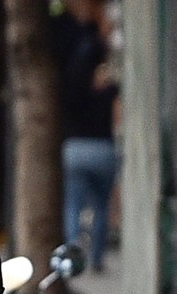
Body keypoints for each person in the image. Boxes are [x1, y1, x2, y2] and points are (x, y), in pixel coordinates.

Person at [52, 0, 119, 273]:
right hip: (103, 148)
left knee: (73, 207)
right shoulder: (109, 84)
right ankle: (96, 260)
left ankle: (70, 259)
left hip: (75, 147)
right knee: (100, 208)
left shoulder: (72, 80)